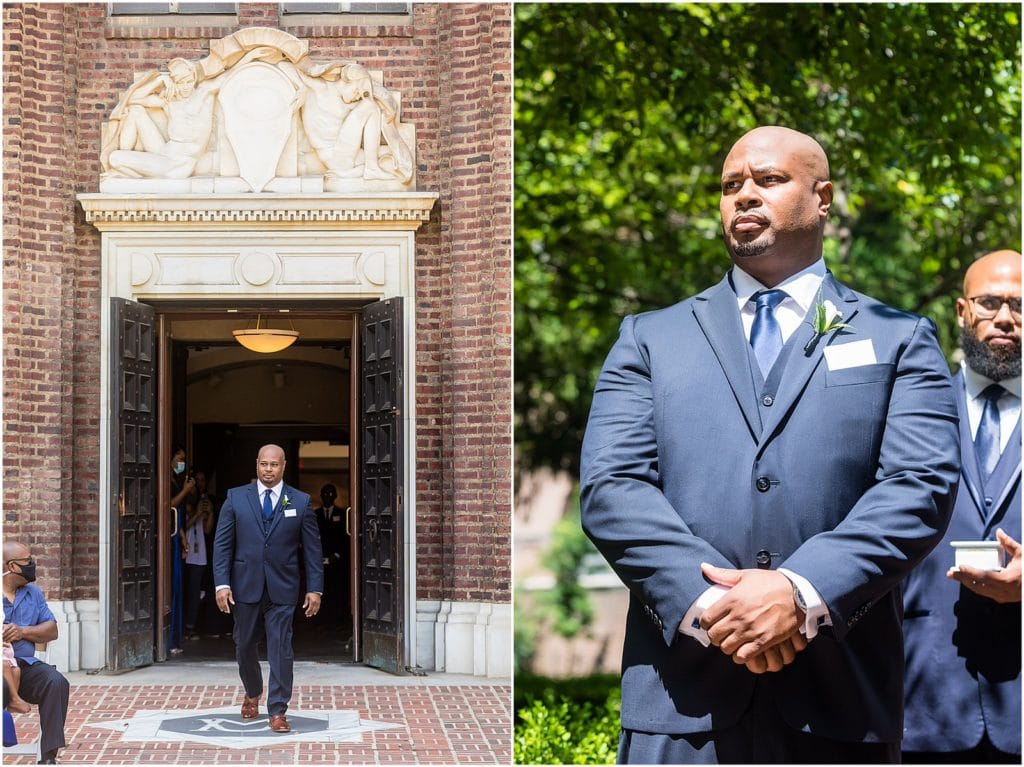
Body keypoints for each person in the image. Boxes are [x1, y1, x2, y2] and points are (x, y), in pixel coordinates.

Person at [579, 125, 961, 763]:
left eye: (769, 180)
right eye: (731, 185)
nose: (745, 195)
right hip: (681, 707)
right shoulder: (650, 339)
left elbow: (918, 487)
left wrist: (800, 591)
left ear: (823, 198)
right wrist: (712, 609)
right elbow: (612, 487)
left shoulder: (900, 338)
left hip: (839, 704)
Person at [902, 249, 1021, 763]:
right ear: (961, 311)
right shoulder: (911, 412)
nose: (1005, 318)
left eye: (1019, 305)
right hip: (923, 695)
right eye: (989, 302)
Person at [213, 444, 323, 733]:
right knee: (244, 645)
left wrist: (315, 589)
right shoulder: (235, 498)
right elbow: (222, 545)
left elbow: (312, 551)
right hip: (244, 586)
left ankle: (278, 709)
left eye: (274, 465)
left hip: (283, 589)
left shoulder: (299, 501)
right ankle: (252, 690)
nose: (268, 470)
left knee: (280, 649)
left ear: (284, 466)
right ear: (257, 464)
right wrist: (221, 584)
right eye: (264, 464)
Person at [2, 542, 70, 764]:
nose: (32, 565)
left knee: (56, 682)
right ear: (12, 566)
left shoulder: (33, 593)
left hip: (26, 666)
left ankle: (48, 757)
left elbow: (52, 630)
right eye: (28, 561)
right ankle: (10, 699)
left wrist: (22, 631)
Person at [183, 470, 215, 641]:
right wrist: (196, 514)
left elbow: (207, 529)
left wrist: (210, 513)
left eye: (203, 481)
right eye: (197, 481)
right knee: (189, 592)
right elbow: (185, 525)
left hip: (200, 554)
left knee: (198, 592)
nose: (200, 485)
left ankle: (192, 626)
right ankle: (186, 627)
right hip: (186, 554)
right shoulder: (185, 505)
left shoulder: (204, 502)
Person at [168, 448, 194, 656]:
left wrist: (183, 535)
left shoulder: (175, 482)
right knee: (171, 588)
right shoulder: (166, 482)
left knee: (178, 587)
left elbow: (176, 515)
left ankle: (176, 637)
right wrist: (186, 491)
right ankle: (168, 639)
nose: (182, 463)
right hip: (168, 540)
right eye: (180, 459)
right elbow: (167, 507)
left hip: (177, 536)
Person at [315, 483, 351, 629]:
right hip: (318, 559)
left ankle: (338, 622)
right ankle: (320, 622)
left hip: (337, 561)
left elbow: (345, 538)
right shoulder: (314, 515)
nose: (327, 498)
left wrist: (336, 555)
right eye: (324, 495)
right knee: (319, 590)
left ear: (335, 496)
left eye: (330, 494)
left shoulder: (343, 514)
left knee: (337, 591)